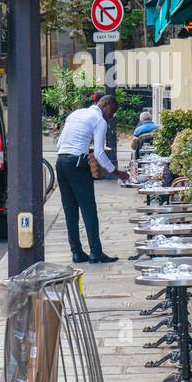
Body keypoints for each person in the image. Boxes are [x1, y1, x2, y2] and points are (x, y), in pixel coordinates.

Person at [55, 94, 129, 264]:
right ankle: (96, 252)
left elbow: (60, 143)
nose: (111, 117)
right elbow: (99, 153)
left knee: (70, 209)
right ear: (107, 105)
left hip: (61, 161)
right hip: (77, 164)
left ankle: (77, 252)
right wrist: (117, 172)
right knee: (88, 208)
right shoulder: (99, 120)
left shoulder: (75, 114)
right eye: (112, 112)